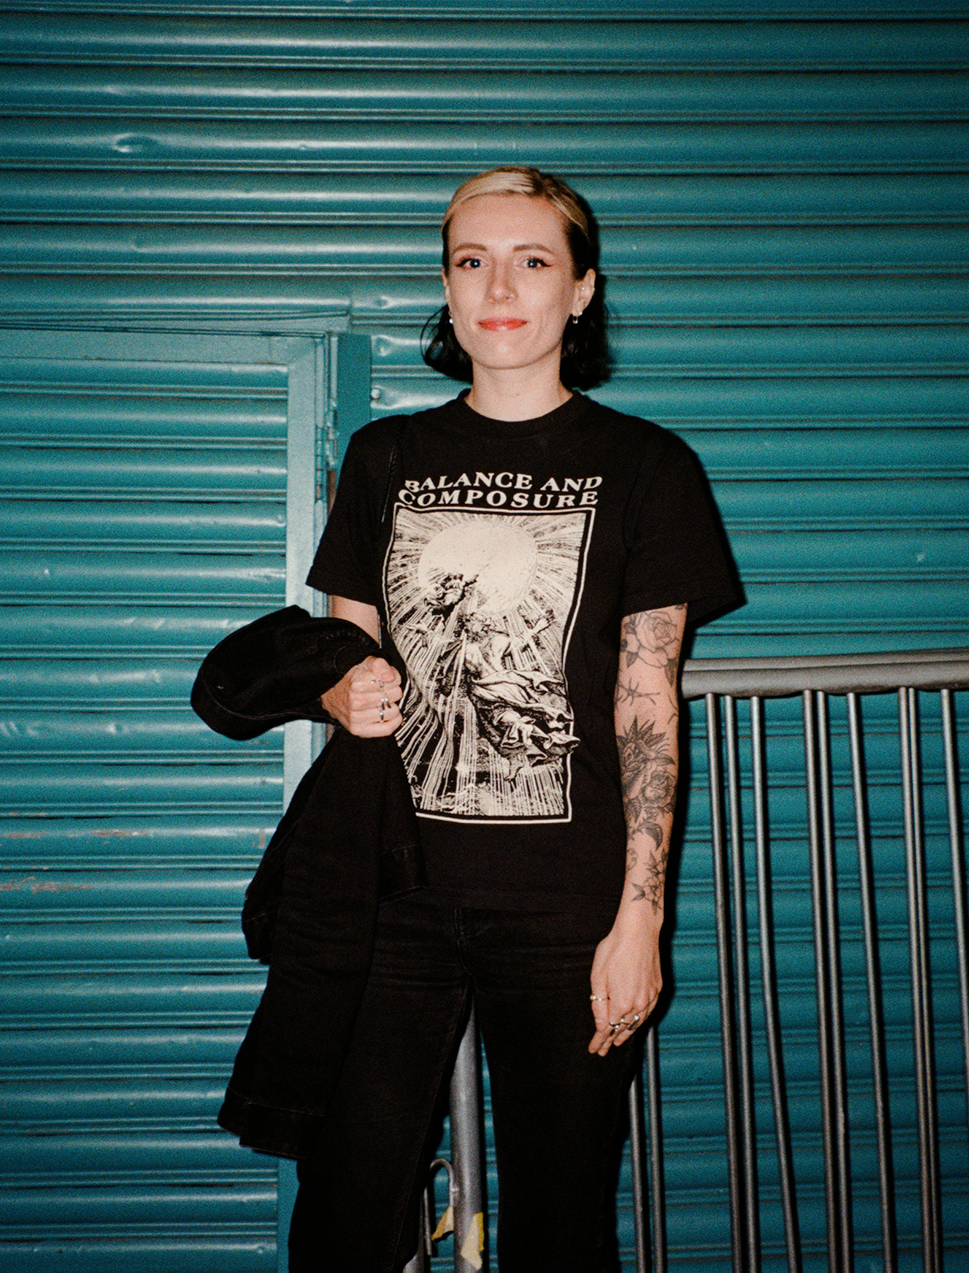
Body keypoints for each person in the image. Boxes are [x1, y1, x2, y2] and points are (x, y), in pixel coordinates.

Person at [292, 165, 741, 1272]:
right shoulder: (385, 457)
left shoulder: (647, 466)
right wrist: (336, 689)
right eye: (472, 260)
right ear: (446, 289)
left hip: (565, 907)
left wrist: (640, 920)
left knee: (562, 1221)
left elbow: (648, 701)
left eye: (532, 260)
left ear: (580, 290)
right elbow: (346, 658)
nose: (500, 287)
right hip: (391, 894)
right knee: (346, 1210)